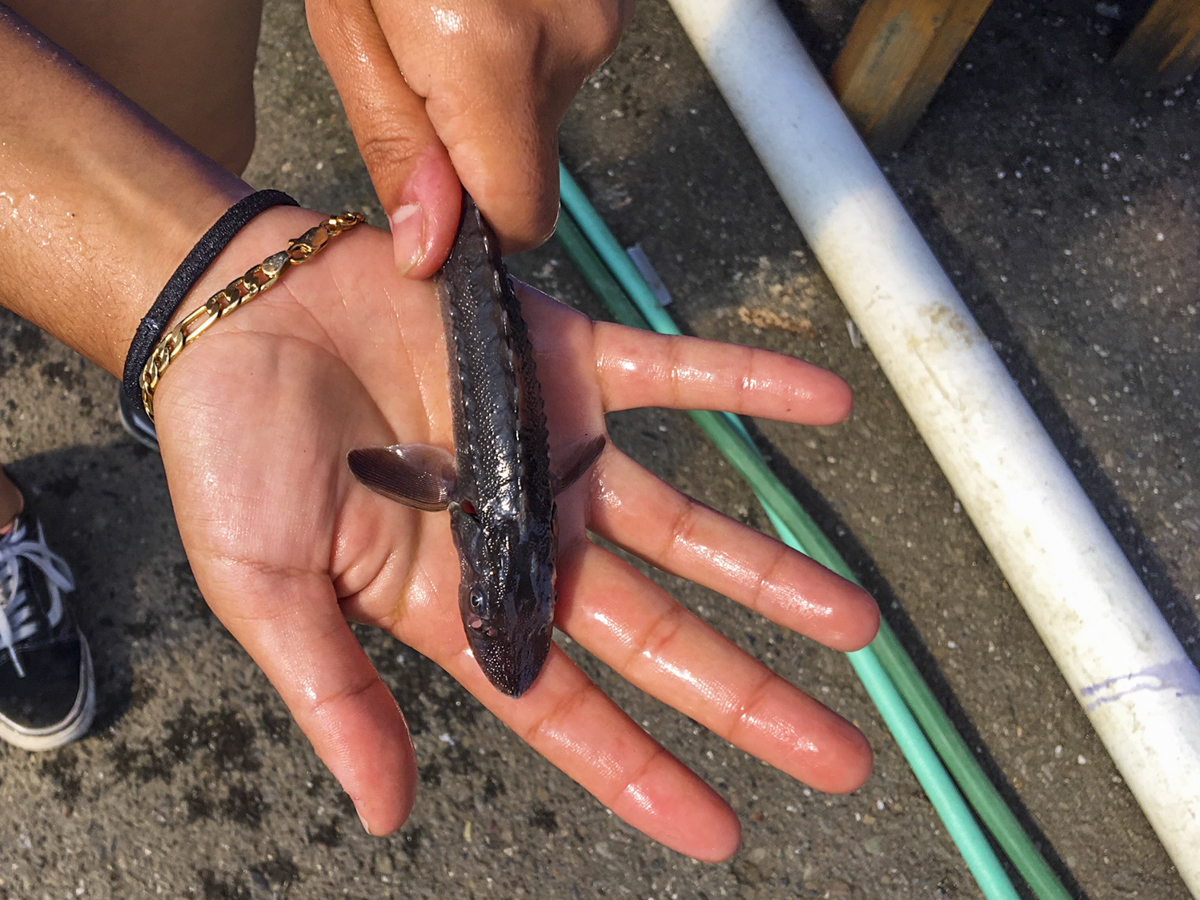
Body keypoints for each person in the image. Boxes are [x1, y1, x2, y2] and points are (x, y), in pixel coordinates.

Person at [0, 0, 880, 862]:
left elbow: (552, 465)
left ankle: (158, 318)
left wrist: (192, 273)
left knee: (177, 119)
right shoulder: (463, 498)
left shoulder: (488, 500)